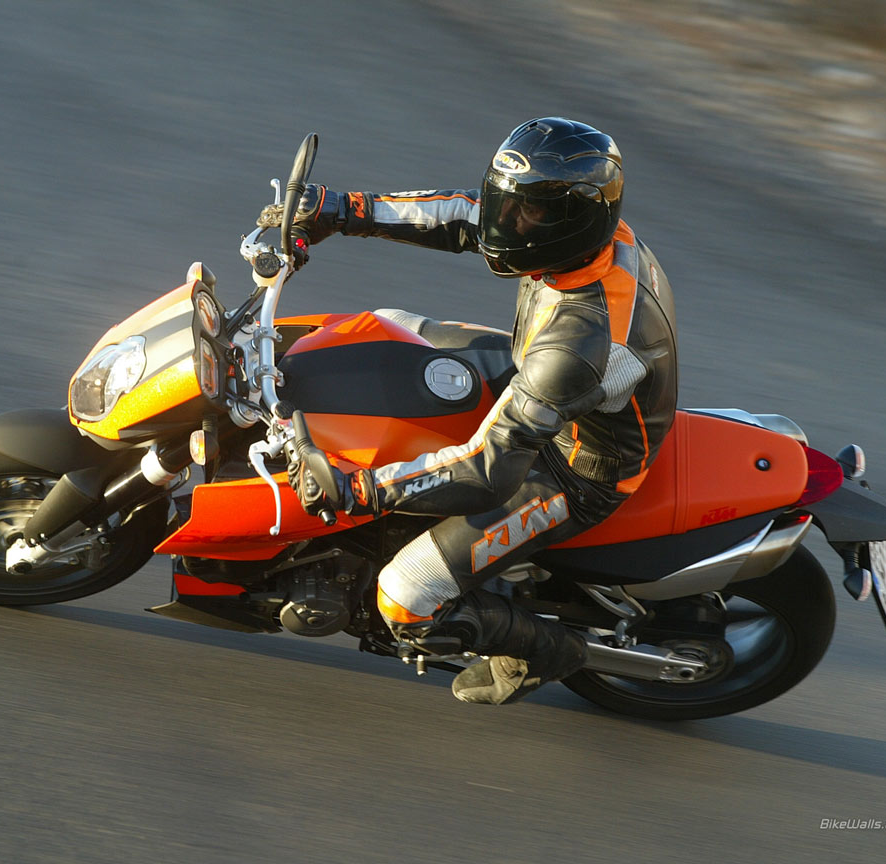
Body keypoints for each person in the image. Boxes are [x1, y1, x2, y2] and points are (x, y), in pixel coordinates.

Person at [272, 118, 678, 705]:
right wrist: (342, 209)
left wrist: (360, 489)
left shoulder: (581, 344)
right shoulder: (593, 238)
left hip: (573, 467)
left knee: (406, 595)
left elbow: (490, 469)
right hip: (538, 376)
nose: (504, 221)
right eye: (507, 200)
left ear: (570, 220)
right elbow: (468, 215)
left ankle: (545, 650)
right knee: (383, 329)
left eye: (526, 212)